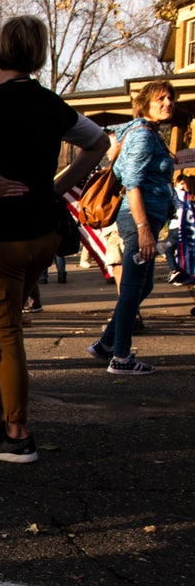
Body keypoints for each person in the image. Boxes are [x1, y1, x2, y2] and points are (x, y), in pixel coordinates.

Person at [0, 15, 108, 462]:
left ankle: (17, 435)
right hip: (44, 232)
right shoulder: (51, 103)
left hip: (2, 233)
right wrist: (57, 187)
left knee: (5, 331)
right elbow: (98, 143)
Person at [86, 80, 176, 376]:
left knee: (143, 285)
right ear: (145, 103)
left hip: (146, 218)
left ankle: (105, 344)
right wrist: (144, 229)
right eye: (160, 98)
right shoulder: (142, 136)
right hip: (139, 219)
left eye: (170, 98)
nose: (168, 103)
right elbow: (133, 183)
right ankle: (120, 357)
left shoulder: (149, 133)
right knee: (132, 288)